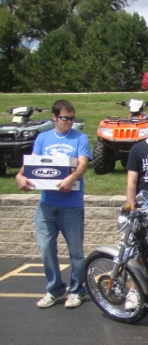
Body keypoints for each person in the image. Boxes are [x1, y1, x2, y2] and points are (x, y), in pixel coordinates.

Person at [15, 99, 92, 309]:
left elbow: (83, 164)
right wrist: (20, 176)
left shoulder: (80, 138)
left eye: (72, 118)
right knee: (46, 249)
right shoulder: (43, 138)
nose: (69, 122)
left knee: (75, 251)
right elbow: (32, 163)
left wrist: (72, 178)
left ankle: (76, 290)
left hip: (72, 204)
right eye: (65, 118)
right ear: (54, 117)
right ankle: (55, 289)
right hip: (46, 203)